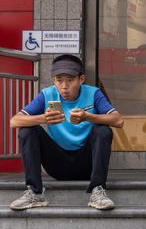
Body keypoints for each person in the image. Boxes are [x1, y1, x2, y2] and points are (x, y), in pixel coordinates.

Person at [8, 54, 123, 211]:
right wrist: (43, 118)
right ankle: (35, 192)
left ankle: (98, 191)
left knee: (103, 129)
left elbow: (118, 121)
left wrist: (88, 117)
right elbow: (14, 121)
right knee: (27, 130)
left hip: (87, 164)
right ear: (53, 80)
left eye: (70, 80)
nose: (64, 86)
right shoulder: (47, 95)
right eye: (59, 80)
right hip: (57, 165)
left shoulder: (93, 93)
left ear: (80, 79)